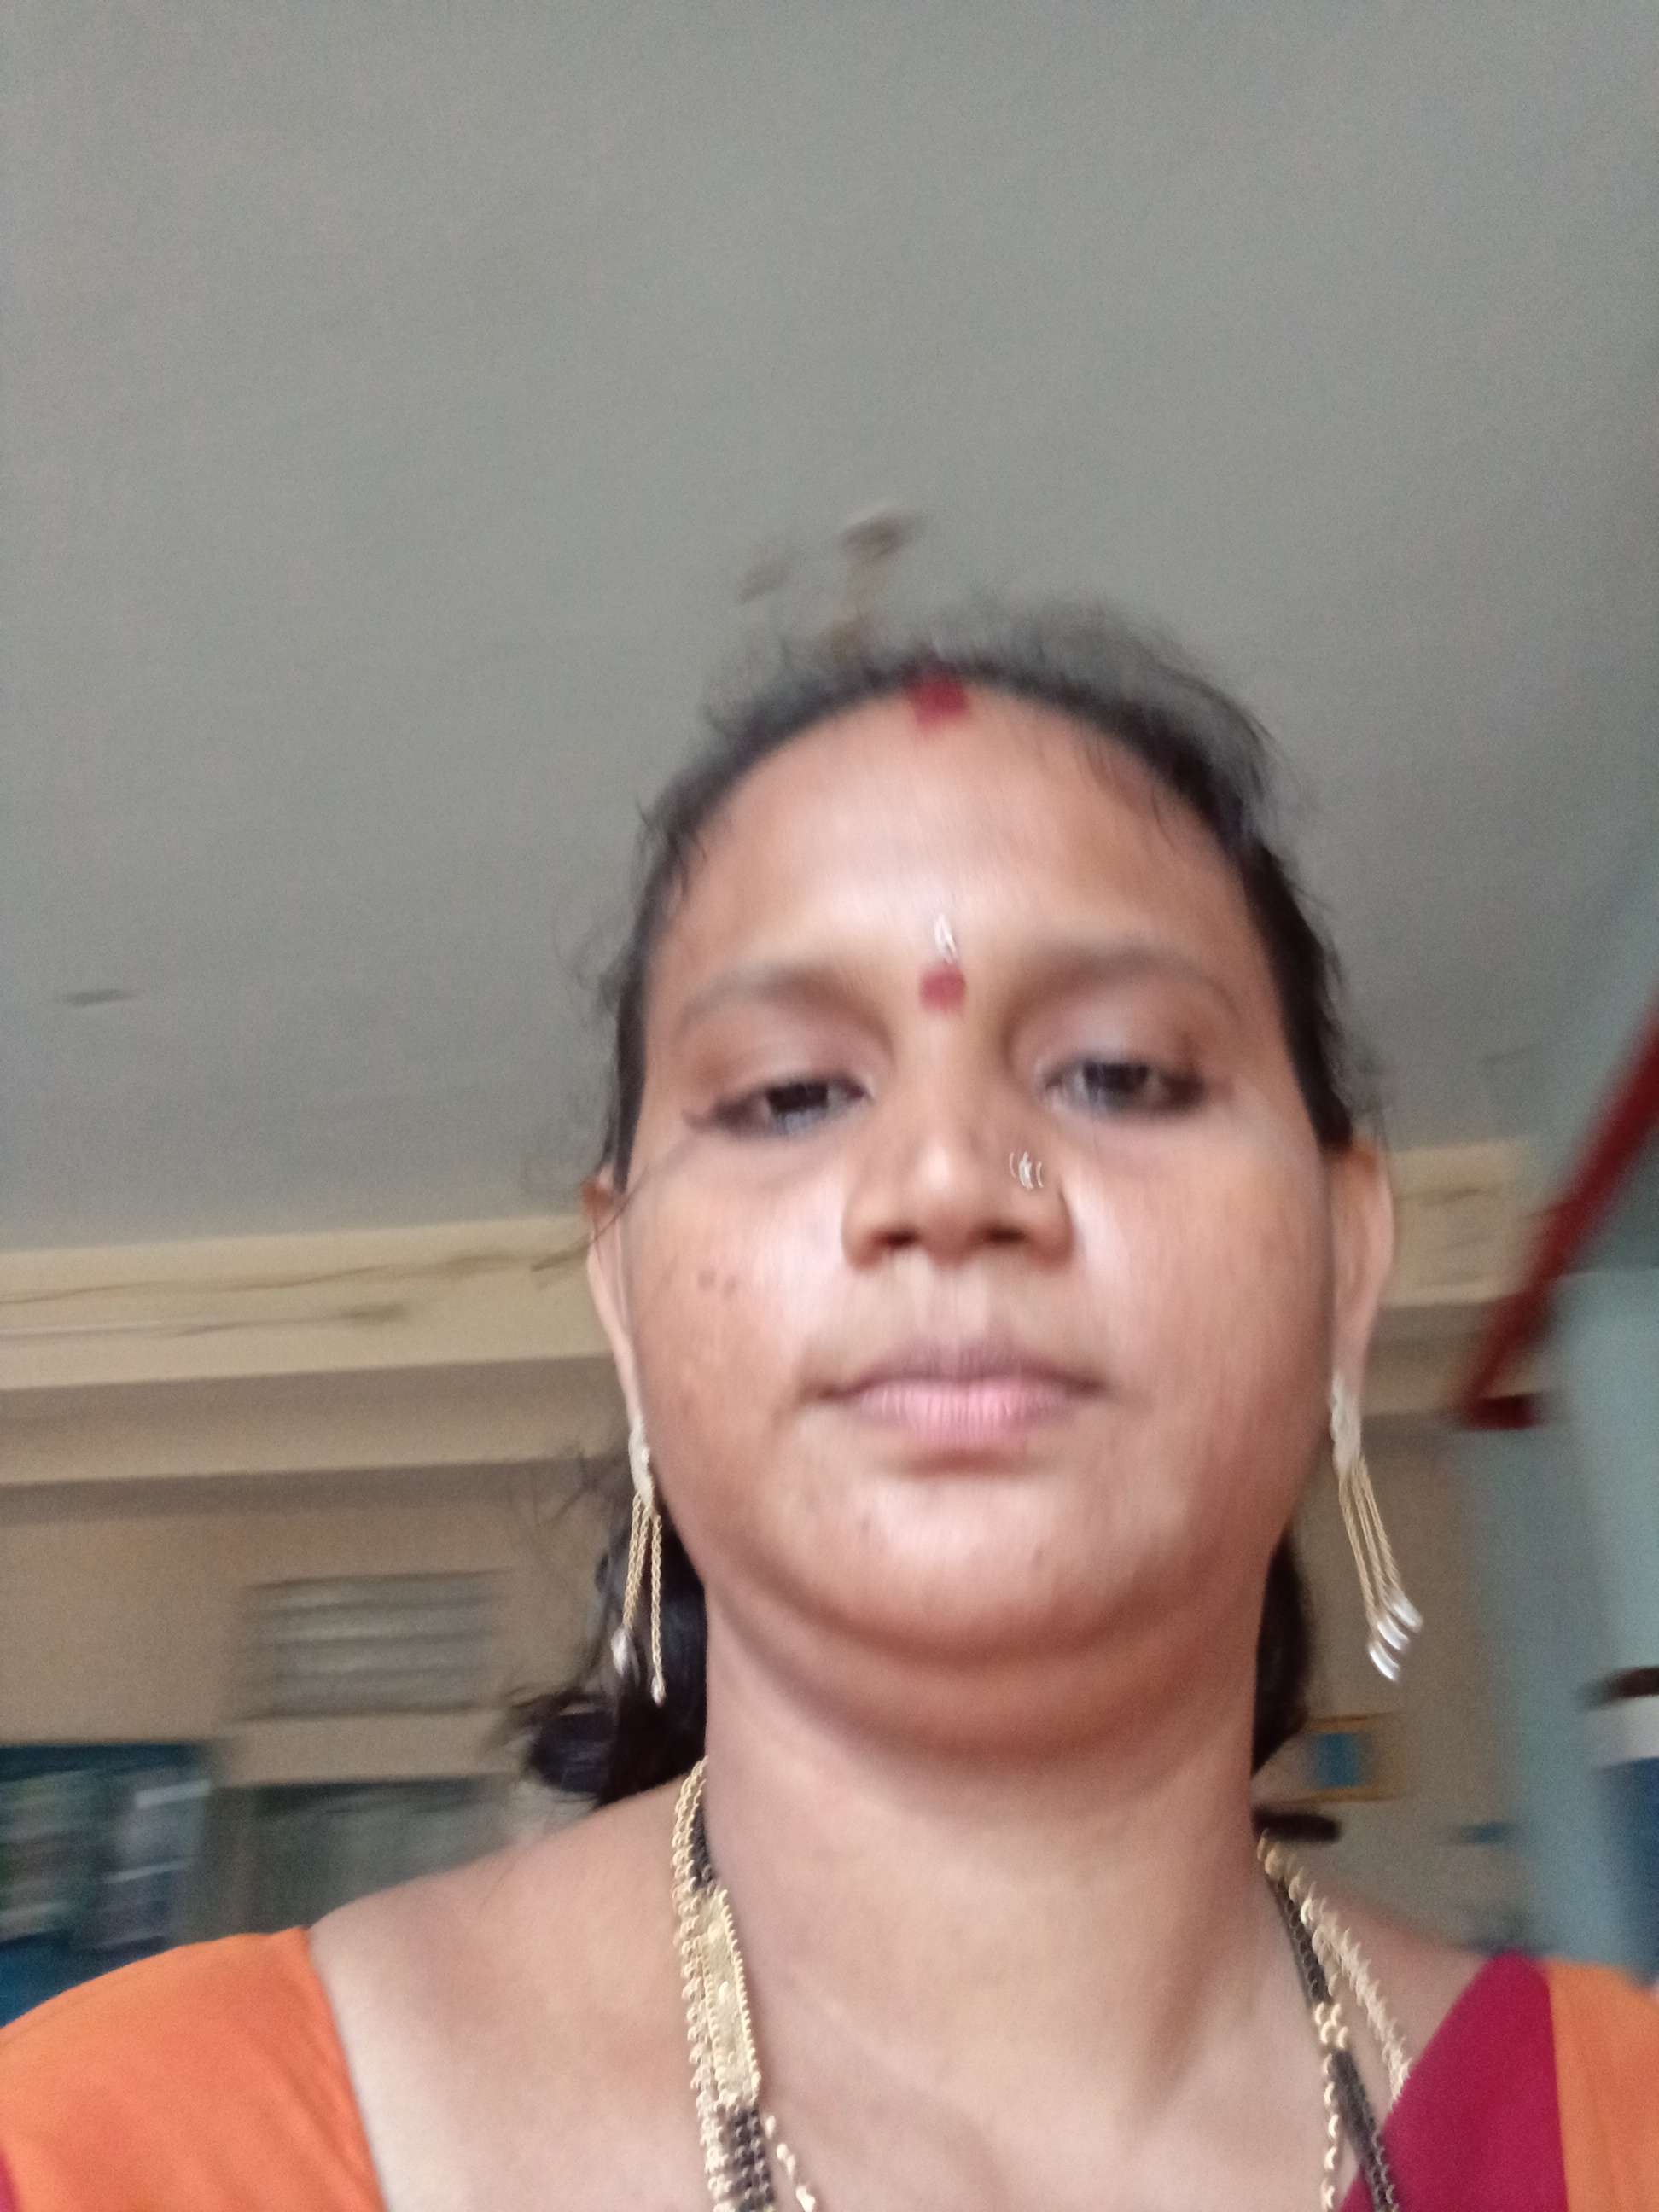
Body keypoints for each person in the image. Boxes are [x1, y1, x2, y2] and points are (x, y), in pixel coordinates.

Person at [3, 607, 1654, 2209]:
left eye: (1122, 1074)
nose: (947, 1181)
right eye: (790, 1095)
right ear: (624, 1296)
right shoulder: (102, 2154)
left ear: (1349, 1260)